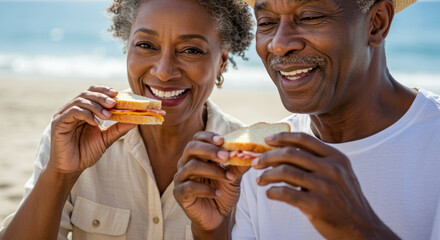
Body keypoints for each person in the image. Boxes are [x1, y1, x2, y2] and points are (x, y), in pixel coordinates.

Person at [173, 0, 440, 239]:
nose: (278, 43)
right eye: (266, 22)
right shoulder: (260, 161)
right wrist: (212, 230)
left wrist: (359, 230)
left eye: (310, 17)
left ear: (376, 23)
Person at [0, 0, 253, 239]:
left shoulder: (249, 162)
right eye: (146, 45)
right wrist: (58, 175)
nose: (163, 72)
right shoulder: (74, 138)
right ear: (126, 47)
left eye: (190, 50)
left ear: (221, 62)